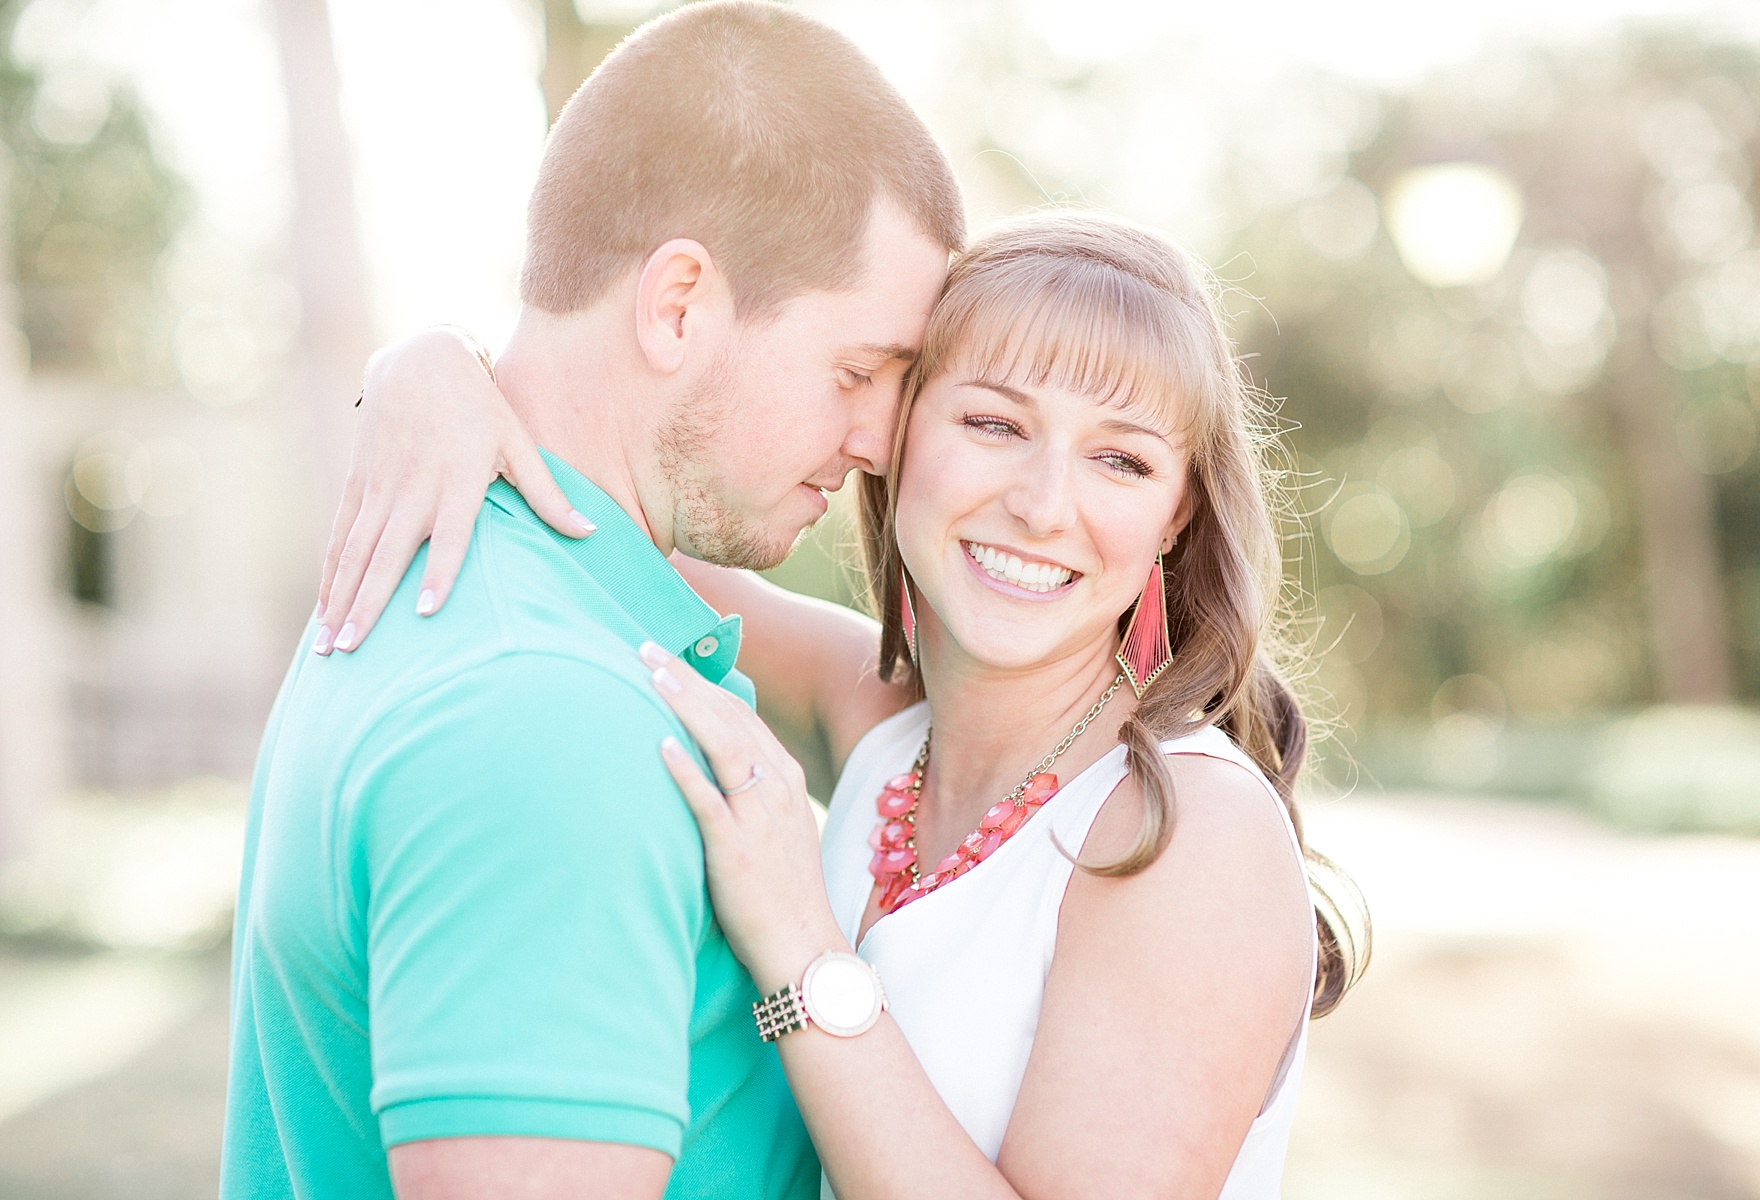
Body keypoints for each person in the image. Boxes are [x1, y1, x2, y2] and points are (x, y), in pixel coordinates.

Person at [320, 212, 1368, 1198]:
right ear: (890, 435)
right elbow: (595, 511)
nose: (1044, 505)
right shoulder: (876, 720)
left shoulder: (1187, 831)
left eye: (1121, 459)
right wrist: (429, 367)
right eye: (995, 423)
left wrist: (800, 943)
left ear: (1176, 515)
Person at [223, 3, 962, 1197]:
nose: (881, 440)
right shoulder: (548, 719)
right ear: (678, 305)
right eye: (856, 370)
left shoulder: (477, 578)